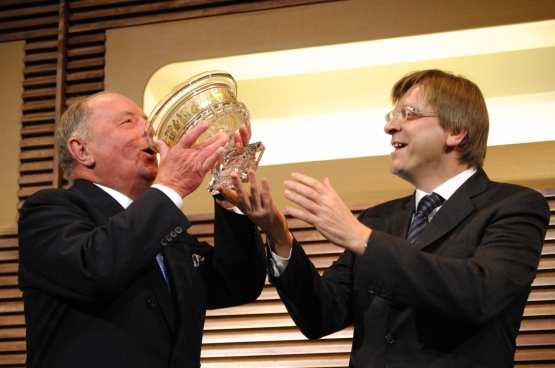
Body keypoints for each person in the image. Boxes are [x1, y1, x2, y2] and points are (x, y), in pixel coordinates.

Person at [217, 69, 550, 367]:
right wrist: (281, 238)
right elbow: (320, 315)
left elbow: (479, 294)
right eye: (393, 114)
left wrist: (363, 239)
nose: (390, 125)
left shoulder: (514, 205)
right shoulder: (379, 218)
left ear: (457, 131)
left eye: (408, 113)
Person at [18, 92, 267, 368]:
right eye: (127, 122)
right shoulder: (47, 210)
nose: (149, 130)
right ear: (82, 151)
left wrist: (227, 191)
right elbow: (96, 268)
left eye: (147, 122)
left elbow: (237, 284)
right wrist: (171, 186)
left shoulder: (168, 233)